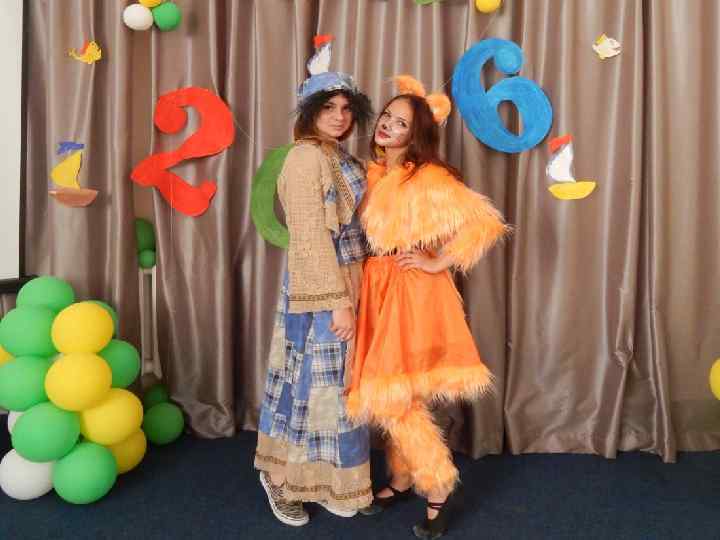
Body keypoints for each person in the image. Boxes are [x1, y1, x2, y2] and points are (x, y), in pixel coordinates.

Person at [347, 75, 510, 539]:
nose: (387, 125)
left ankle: (437, 483)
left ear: (415, 134)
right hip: (378, 286)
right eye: (387, 116)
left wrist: (437, 261)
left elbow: (485, 224)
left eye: (400, 122)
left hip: (410, 291)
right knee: (401, 390)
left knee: (391, 392)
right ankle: (402, 476)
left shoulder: (428, 177)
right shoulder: (375, 172)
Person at [254, 36, 374, 526]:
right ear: (309, 112)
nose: (339, 116)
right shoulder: (304, 158)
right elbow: (307, 235)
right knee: (311, 384)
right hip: (321, 285)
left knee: (341, 387)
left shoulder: (342, 157)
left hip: (353, 276)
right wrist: (337, 301)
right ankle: (282, 479)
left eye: (346, 108)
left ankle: (329, 481)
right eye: (328, 107)